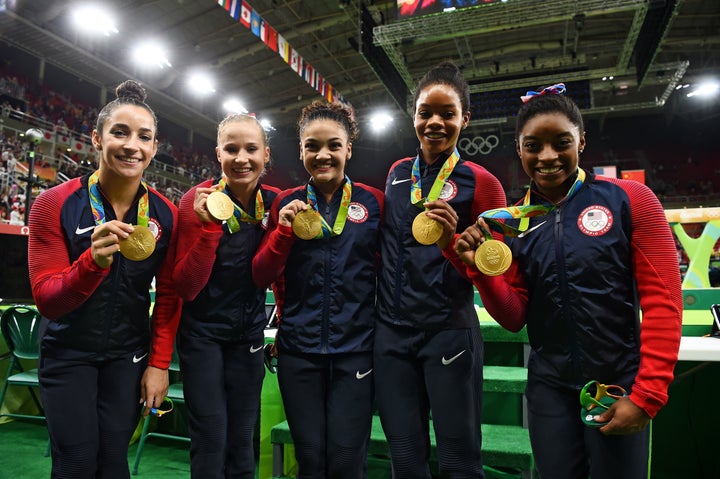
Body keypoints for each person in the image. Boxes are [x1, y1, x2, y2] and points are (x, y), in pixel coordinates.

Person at [453, 84, 683, 479]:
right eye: (533, 145)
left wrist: (647, 395)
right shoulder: (514, 223)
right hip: (549, 390)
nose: (547, 157)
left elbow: (664, 302)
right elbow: (514, 317)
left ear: (581, 141)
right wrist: (480, 270)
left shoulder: (631, 199)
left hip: (618, 384)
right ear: (519, 149)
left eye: (561, 142)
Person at [27, 80, 182, 478]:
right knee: (76, 462)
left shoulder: (165, 214)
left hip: (127, 357)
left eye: (143, 137)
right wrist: (91, 264)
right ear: (96, 138)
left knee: (114, 462)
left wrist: (159, 364)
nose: (132, 145)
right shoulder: (53, 204)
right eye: (120, 132)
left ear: (154, 147)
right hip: (66, 352)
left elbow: (168, 296)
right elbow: (47, 300)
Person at [374, 60, 507, 478]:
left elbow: (492, 267)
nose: (435, 122)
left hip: (449, 333)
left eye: (447, 113)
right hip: (392, 335)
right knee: (405, 459)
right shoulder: (397, 174)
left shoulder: (482, 182)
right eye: (425, 112)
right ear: (412, 116)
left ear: (464, 119)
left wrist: (454, 240)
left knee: (459, 460)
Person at [252, 100, 383, 478]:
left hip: (356, 353)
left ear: (349, 149)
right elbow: (262, 274)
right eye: (312, 146)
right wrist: (282, 232)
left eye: (333, 145)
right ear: (301, 150)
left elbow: (384, 272)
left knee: (345, 461)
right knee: (310, 461)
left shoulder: (373, 203)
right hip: (299, 354)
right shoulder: (284, 202)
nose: (322, 155)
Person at [172, 113, 279, 478]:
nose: (241, 158)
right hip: (201, 336)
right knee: (211, 435)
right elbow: (186, 286)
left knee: (242, 437)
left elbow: (280, 273)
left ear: (266, 154)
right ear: (218, 154)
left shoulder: (276, 204)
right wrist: (208, 230)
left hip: (248, 336)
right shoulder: (195, 201)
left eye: (251, 149)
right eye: (231, 149)